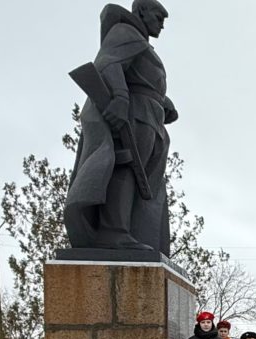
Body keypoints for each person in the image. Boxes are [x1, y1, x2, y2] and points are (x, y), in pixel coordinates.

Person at [64, 0, 177, 253]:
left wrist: (164, 103)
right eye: (158, 17)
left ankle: (128, 230)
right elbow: (108, 63)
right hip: (135, 113)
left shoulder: (142, 43)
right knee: (125, 166)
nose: (161, 24)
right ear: (141, 12)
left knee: (140, 176)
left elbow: (141, 79)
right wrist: (120, 98)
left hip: (149, 116)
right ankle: (113, 231)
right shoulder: (125, 32)